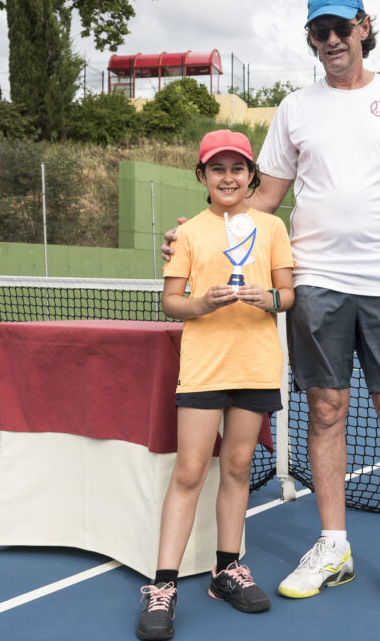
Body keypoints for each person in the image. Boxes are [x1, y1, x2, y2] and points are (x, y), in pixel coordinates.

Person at [163, 0, 380, 613]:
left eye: (338, 29)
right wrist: (195, 232)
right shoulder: (295, 108)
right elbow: (261, 196)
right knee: (325, 410)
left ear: (362, 27)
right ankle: (334, 545)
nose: (329, 41)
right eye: (317, 32)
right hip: (316, 280)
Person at [137, 129, 295, 640]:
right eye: (217, 169)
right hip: (204, 370)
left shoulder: (272, 227)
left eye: (238, 168)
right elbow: (171, 302)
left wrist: (266, 297)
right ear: (202, 176)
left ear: (252, 176)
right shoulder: (186, 234)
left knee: (239, 466)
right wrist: (201, 304)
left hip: (255, 365)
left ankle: (226, 570)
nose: (228, 177)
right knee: (188, 473)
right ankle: (163, 587)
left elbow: (288, 295)